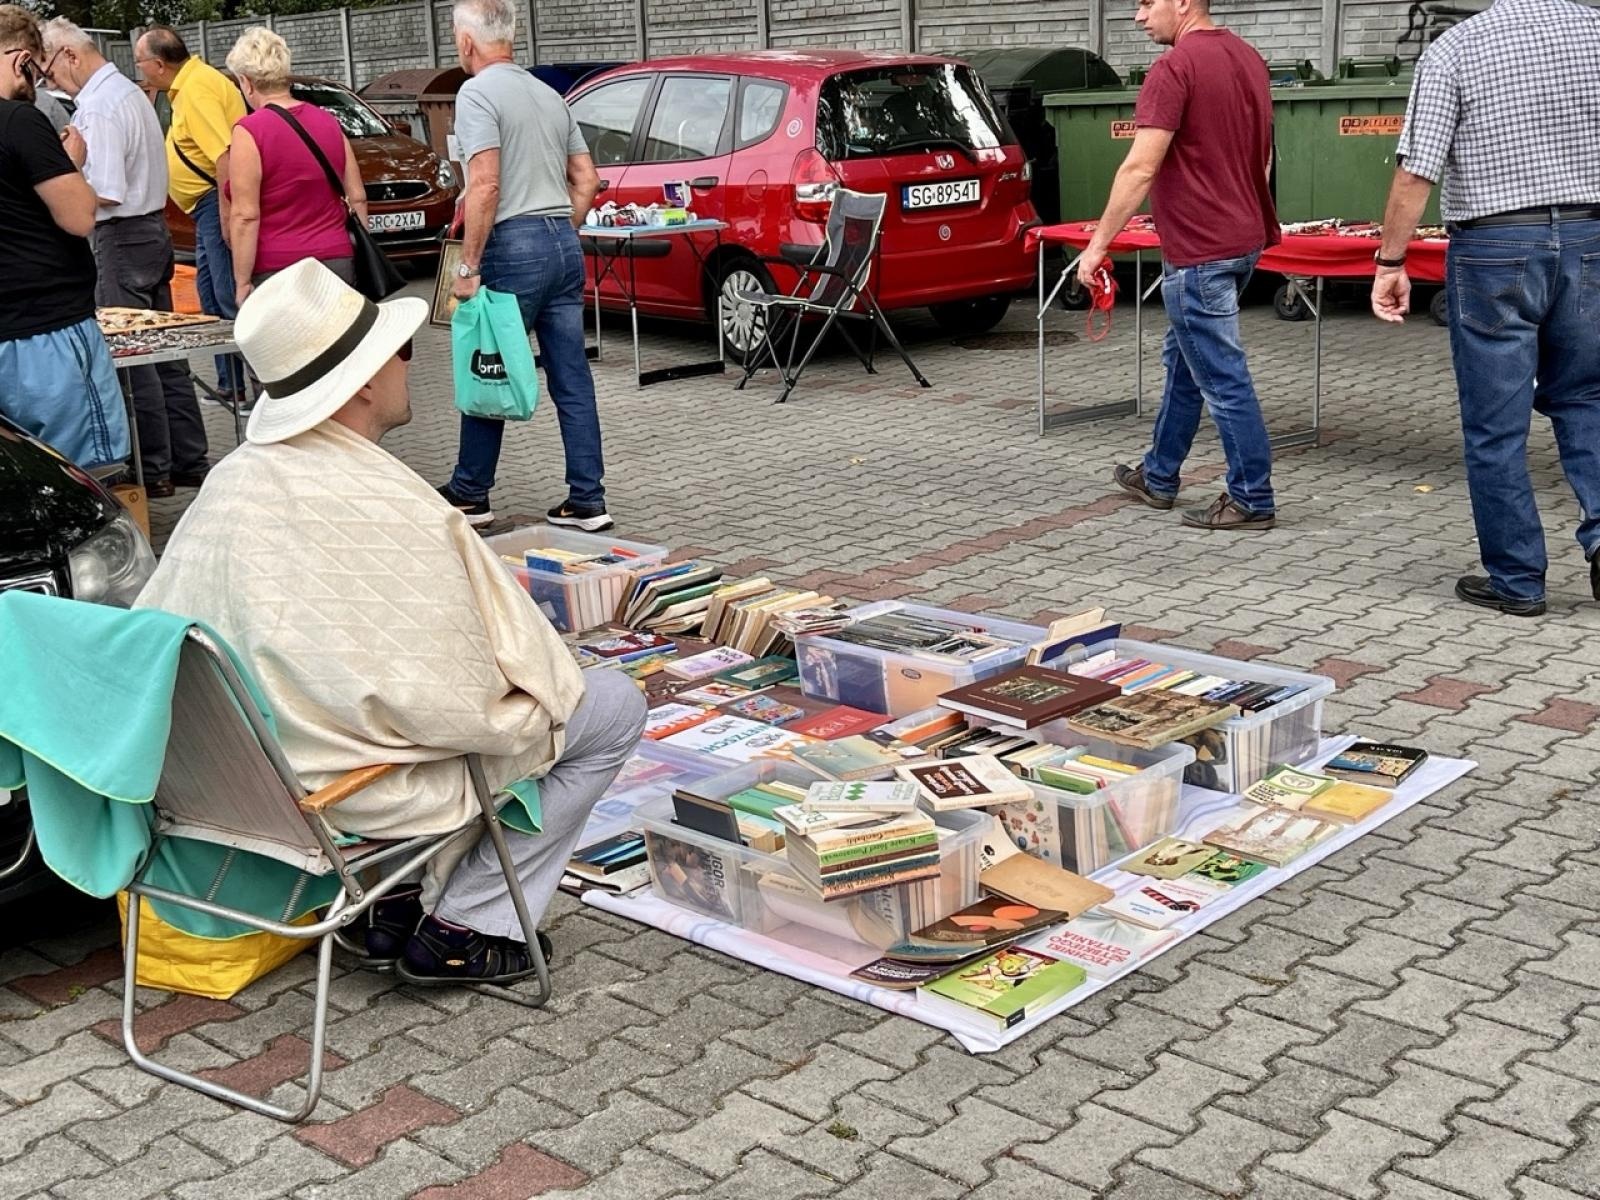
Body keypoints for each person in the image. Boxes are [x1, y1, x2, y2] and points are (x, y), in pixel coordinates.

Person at [135, 258, 646, 984]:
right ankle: (466, 925)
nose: (412, 365)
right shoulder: (390, 505)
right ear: (366, 379)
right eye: (401, 351)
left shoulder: (230, 482)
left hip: (234, 784)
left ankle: (396, 902)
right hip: (344, 791)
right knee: (607, 707)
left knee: (406, 704)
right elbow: (470, 704)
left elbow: (158, 637)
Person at [1372, 0, 1600, 618]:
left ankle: (1519, 579)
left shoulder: (1457, 47)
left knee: (1495, 424)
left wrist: (1391, 263)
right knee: (1586, 397)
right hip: (1591, 236)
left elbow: (1416, 168)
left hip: (1495, 245)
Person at [1080, 0, 1279, 532]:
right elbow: (1263, 154)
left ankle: (1251, 497)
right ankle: (1160, 475)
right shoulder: (1248, 57)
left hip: (1200, 249)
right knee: (1187, 364)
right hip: (1244, 237)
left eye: (1147, 3)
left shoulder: (1174, 67)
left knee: (1223, 377)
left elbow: (1141, 165)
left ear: (1185, 3)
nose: (1140, 16)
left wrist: (1098, 244)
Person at [438, 0, 607, 531]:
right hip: (561, 238)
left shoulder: (475, 93)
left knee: (488, 360)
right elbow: (587, 179)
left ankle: (471, 493)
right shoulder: (548, 94)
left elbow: (485, 183)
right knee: (572, 378)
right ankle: (587, 499)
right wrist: (562, 228)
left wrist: (467, 267)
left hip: (514, 243)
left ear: (468, 43)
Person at [42, 18, 209, 498]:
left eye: (49, 70)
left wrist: (63, 175)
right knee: (166, 353)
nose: (50, 83)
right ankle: (188, 459)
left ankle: (153, 467)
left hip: (122, 235)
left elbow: (107, 191)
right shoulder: (130, 92)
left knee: (135, 356)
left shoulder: (98, 107)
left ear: (70, 55)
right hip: (151, 229)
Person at [0, 9, 129, 471]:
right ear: (20, 61)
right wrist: (70, 161)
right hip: (46, 334)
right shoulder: (20, 121)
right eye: (36, 71)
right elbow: (78, 217)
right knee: (81, 479)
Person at [134, 25, 248, 401]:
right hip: (204, 209)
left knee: (227, 297)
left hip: (215, 205)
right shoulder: (191, 83)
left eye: (139, 62)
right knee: (211, 298)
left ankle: (260, 388)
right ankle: (230, 386)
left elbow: (223, 154)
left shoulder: (197, 89)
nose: (139, 70)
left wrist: (229, 214)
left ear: (158, 63)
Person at [224, 27, 365, 303]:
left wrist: (241, 281)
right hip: (337, 261)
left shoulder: (250, 131)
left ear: (246, 82)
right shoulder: (329, 122)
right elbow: (357, 196)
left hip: (278, 268)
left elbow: (245, 215)